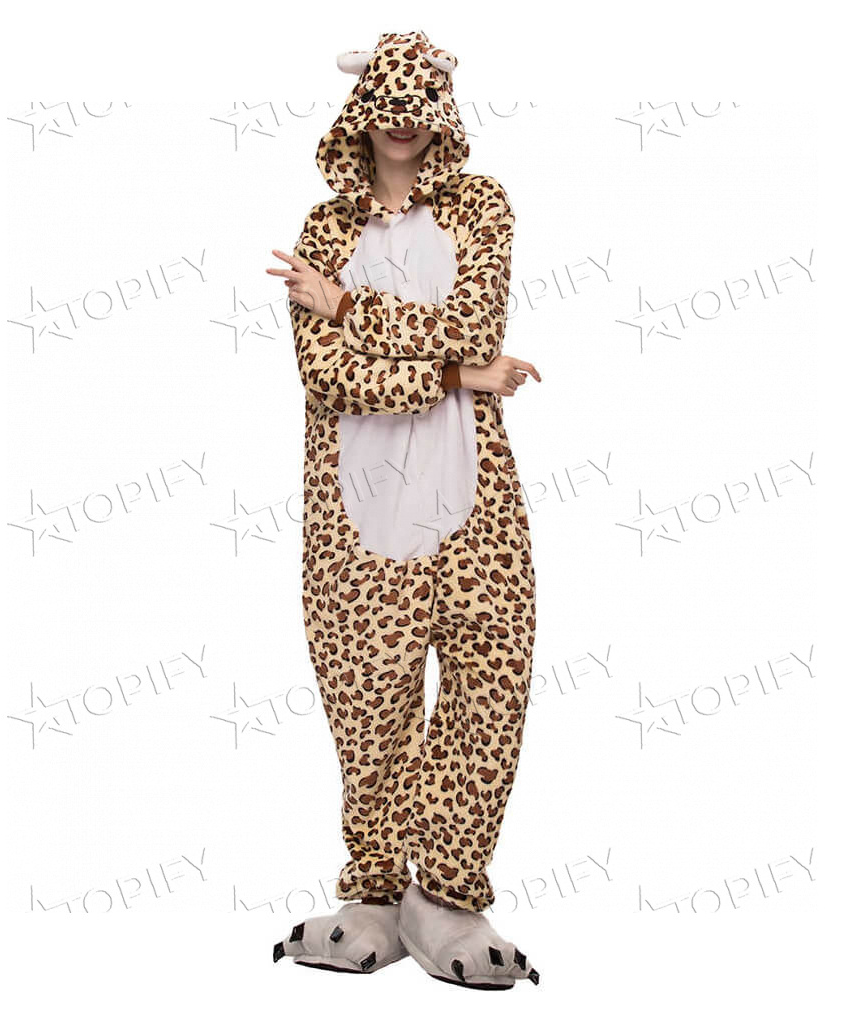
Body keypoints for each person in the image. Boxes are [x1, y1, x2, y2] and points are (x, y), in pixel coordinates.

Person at [265, 30, 541, 990]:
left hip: (474, 500)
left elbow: (477, 326)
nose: (402, 119)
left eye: (420, 104)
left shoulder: (481, 205)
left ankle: (448, 898)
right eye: (385, 102)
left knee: (490, 682)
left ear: (443, 113)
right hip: (354, 508)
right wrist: (458, 376)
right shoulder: (322, 229)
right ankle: (377, 897)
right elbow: (328, 377)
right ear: (360, 110)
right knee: (368, 702)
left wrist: (348, 307)